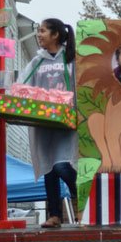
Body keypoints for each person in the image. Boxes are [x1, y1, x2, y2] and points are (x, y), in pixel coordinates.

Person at [18, 18, 78, 228]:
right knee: (48, 169)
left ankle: (83, 198)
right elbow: (23, 86)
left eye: (42, 31)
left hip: (66, 124)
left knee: (63, 165)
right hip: (43, 123)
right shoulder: (36, 62)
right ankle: (54, 215)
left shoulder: (71, 60)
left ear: (55, 35)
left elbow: (80, 88)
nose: (39, 34)